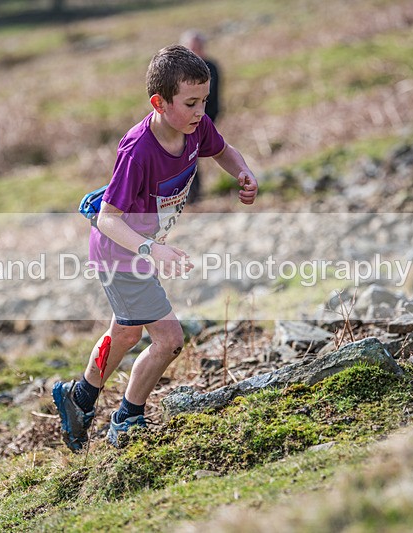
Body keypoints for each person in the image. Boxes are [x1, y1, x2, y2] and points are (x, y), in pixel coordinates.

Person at [52, 44, 258, 452]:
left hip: (140, 248)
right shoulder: (139, 150)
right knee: (168, 338)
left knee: (126, 333)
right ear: (159, 103)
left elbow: (222, 149)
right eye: (191, 103)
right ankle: (129, 416)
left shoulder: (194, 127)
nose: (201, 111)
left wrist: (244, 172)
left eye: (205, 100)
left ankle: (79, 400)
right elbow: (109, 218)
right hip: (120, 252)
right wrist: (151, 250)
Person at [181, 30, 221, 204]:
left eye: (196, 46)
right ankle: (189, 195)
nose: (194, 50)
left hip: (206, 116)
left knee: (191, 153)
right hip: (183, 119)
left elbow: (213, 98)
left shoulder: (211, 67)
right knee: (186, 154)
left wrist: (204, 118)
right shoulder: (179, 70)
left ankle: (193, 195)